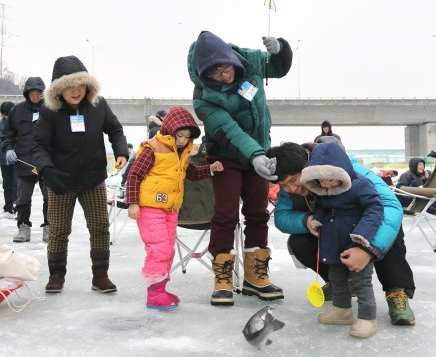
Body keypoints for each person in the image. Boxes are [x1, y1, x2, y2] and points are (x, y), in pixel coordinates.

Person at [187, 30, 292, 305]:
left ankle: (255, 277)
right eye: (216, 74)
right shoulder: (203, 98)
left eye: (225, 69)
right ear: (205, 75)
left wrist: (280, 49)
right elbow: (230, 130)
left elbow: (279, 68)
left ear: (231, 59)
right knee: (225, 213)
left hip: (258, 150)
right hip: (226, 157)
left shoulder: (251, 60)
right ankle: (222, 276)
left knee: (258, 211)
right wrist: (255, 155)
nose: (224, 76)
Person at [267, 139, 417, 326]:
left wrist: (367, 249)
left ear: (307, 166)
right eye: (284, 186)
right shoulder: (290, 186)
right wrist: (305, 220)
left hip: (363, 228)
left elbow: (390, 207)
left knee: (386, 225)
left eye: (293, 180)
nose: (292, 189)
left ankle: (396, 290)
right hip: (334, 230)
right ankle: (342, 285)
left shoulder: (343, 168)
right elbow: (281, 216)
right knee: (298, 242)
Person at [32, 55, 129, 294]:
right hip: (60, 179)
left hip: (93, 178)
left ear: (88, 86)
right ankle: (56, 275)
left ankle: (100, 276)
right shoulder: (49, 111)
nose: (76, 92)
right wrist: (46, 170)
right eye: (69, 87)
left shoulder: (98, 105)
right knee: (58, 229)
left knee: (99, 227)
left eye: (80, 86)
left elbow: (115, 129)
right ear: (59, 90)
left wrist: (120, 151)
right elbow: (39, 145)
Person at [125, 106, 223, 310]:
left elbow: (193, 173)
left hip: (170, 208)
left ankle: (161, 288)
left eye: (187, 137)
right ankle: (154, 294)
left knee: (168, 249)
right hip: (150, 206)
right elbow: (134, 175)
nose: (182, 140)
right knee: (159, 249)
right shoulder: (153, 148)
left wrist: (211, 169)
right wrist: (133, 202)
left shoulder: (182, 154)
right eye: (180, 135)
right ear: (170, 130)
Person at [299, 142, 382, 338]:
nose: (326, 185)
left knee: (361, 281)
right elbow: (324, 207)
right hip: (332, 241)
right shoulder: (324, 190)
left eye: (330, 180)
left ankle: (367, 318)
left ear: (341, 171)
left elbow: (375, 208)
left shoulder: (360, 185)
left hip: (355, 241)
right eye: (321, 180)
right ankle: (342, 309)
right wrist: (318, 219)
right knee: (336, 278)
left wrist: (362, 235)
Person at [1, 77, 50, 243]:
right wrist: (8, 149)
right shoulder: (17, 110)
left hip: (47, 162)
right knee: (22, 198)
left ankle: (49, 227)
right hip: (24, 161)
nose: (36, 95)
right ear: (27, 93)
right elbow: (7, 135)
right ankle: (23, 227)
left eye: (39, 92)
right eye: (32, 92)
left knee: (50, 197)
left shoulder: (51, 109)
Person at [0, 101, 18, 219]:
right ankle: (8, 208)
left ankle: (18, 207)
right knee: (7, 184)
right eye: (6, 114)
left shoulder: (18, 124)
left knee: (17, 184)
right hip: (4, 159)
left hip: (17, 159)